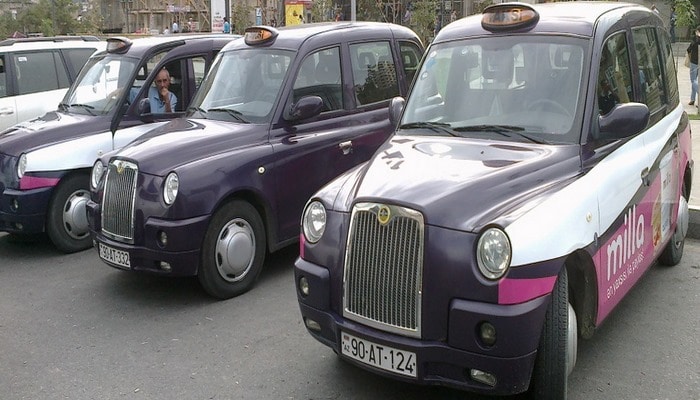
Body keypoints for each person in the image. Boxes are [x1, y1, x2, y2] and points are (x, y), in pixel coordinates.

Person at [687, 26, 700, 105]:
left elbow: (689, 49)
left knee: (693, 80)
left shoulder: (695, 40)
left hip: (694, 62)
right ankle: (692, 98)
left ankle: (698, 92)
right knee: (696, 80)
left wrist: (689, 58)